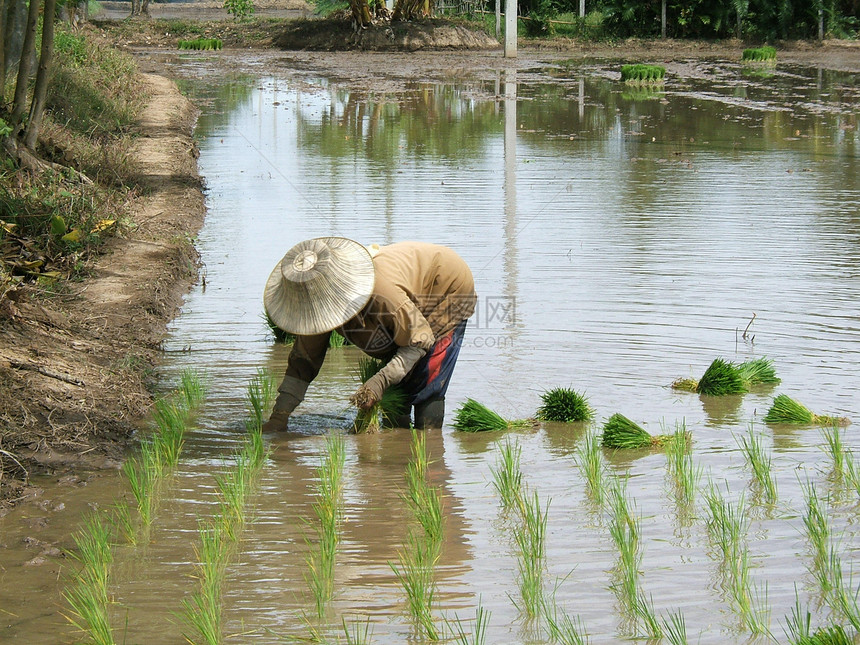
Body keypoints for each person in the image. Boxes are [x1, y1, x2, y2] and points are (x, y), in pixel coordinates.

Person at [262, 237, 476, 431]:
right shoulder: (316, 309)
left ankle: (428, 445)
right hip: (405, 300)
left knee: (427, 375)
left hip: (446, 288)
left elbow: (421, 339)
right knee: (399, 385)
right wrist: (279, 417)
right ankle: (398, 440)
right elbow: (303, 361)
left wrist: (379, 382)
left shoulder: (381, 292)